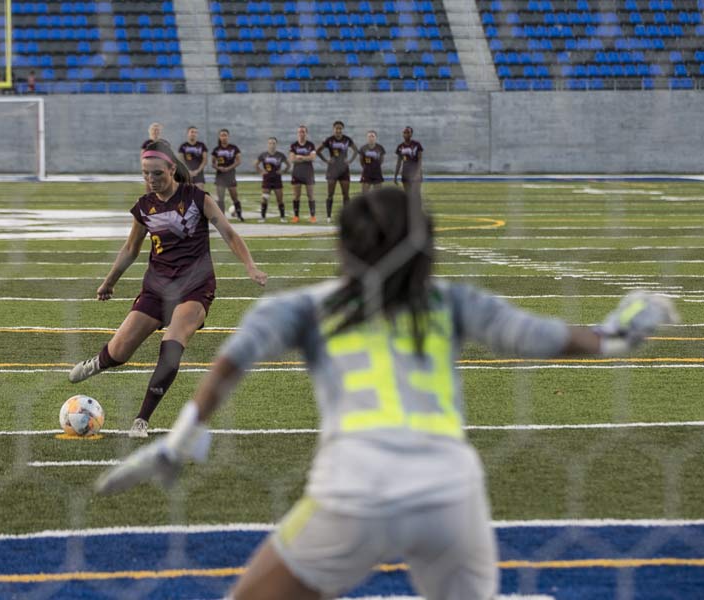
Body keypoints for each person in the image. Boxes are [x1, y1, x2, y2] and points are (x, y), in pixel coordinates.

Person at [95, 186, 678, 599]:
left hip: (355, 493)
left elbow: (229, 363)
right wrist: (619, 334)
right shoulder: (452, 302)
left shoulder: (306, 306)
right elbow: (552, 339)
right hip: (452, 494)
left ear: (345, 249)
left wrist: (181, 442)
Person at [68, 141, 268, 438]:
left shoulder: (197, 198)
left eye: (157, 173)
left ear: (172, 169)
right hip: (156, 288)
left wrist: (250, 266)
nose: (151, 179)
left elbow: (229, 232)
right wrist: (109, 281)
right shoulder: (144, 207)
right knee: (120, 352)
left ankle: (142, 419)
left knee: (173, 344)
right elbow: (130, 249)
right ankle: (99, 361)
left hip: (195, 287)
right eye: (146, 174)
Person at [316, 120, 358, 223]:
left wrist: (350, 161)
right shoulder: (329, 140)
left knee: (346, 194)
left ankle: (347, 216)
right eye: (336, 128)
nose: (338, 130)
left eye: (340, 128)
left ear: (342, 129)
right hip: (332, 169)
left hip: (344, 169)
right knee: (330, 194)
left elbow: (356, 150)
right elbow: (317, 151)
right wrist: (326, 160)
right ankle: (328, 217)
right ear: (333, 129)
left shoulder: (347, 139)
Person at [254, 137, 290, 223]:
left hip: (277, 179)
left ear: (276, 144)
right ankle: (263, 217)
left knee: (280, 199)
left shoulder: (280, 155)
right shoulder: (263, 155)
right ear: (268, 144)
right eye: (270, 143)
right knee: (264, 198)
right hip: (267, 179)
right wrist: (261, 171)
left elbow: (288, 165)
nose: (272, 145)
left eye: (273, 143)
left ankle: (282, 217)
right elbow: (256, 164)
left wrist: (283, 171)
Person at [211, 128, 243, 220]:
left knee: (234, 196)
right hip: (220, 176)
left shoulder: (233, 148)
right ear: (219, 137)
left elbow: (238, 161)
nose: (224, 137)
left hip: (230, 174)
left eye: (225, 135)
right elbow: (212, 163)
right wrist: (218, 167)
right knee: (220, 198)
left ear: (228, 136)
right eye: (222, 135)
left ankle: (239, 215)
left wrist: (228, 168)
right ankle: (222, 217)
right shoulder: (216, 150)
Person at [288, 125, 317, 224]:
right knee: (296, 196)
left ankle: (313, 216)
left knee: (310, 195)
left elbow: (313, 158)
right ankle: (296, 216)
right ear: (297, 133)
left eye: (303, 132)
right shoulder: (294, 145)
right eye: (300, 132)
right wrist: (306, 157)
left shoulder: (310, 145)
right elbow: (292, 159)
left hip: (308, 172)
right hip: (297, 172)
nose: (301, 133)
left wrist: (300, 157)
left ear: (306, 133)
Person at [394, 126, 424, 196]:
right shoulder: (400, 146)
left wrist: (418, 173)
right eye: (404, 132)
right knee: (407, 195)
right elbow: (399, 162)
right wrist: (395, 175)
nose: (406, 134)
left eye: (408, 132)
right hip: (405, 173)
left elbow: (420, 160)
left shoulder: (417, 144)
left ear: (411, 134)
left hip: (415, 172)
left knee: (416, 194)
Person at [178, 126, 207, 190]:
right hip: (186, 173)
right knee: (185, 195)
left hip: (198, 174)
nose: (193, 134)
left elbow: (205, 160)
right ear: (188, 133)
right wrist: (188, 171)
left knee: (199, 195)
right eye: (192, 132)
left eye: (195, 132)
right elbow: (181, 160)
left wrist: (197, 171)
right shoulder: (183, 146)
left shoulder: (202, 145)